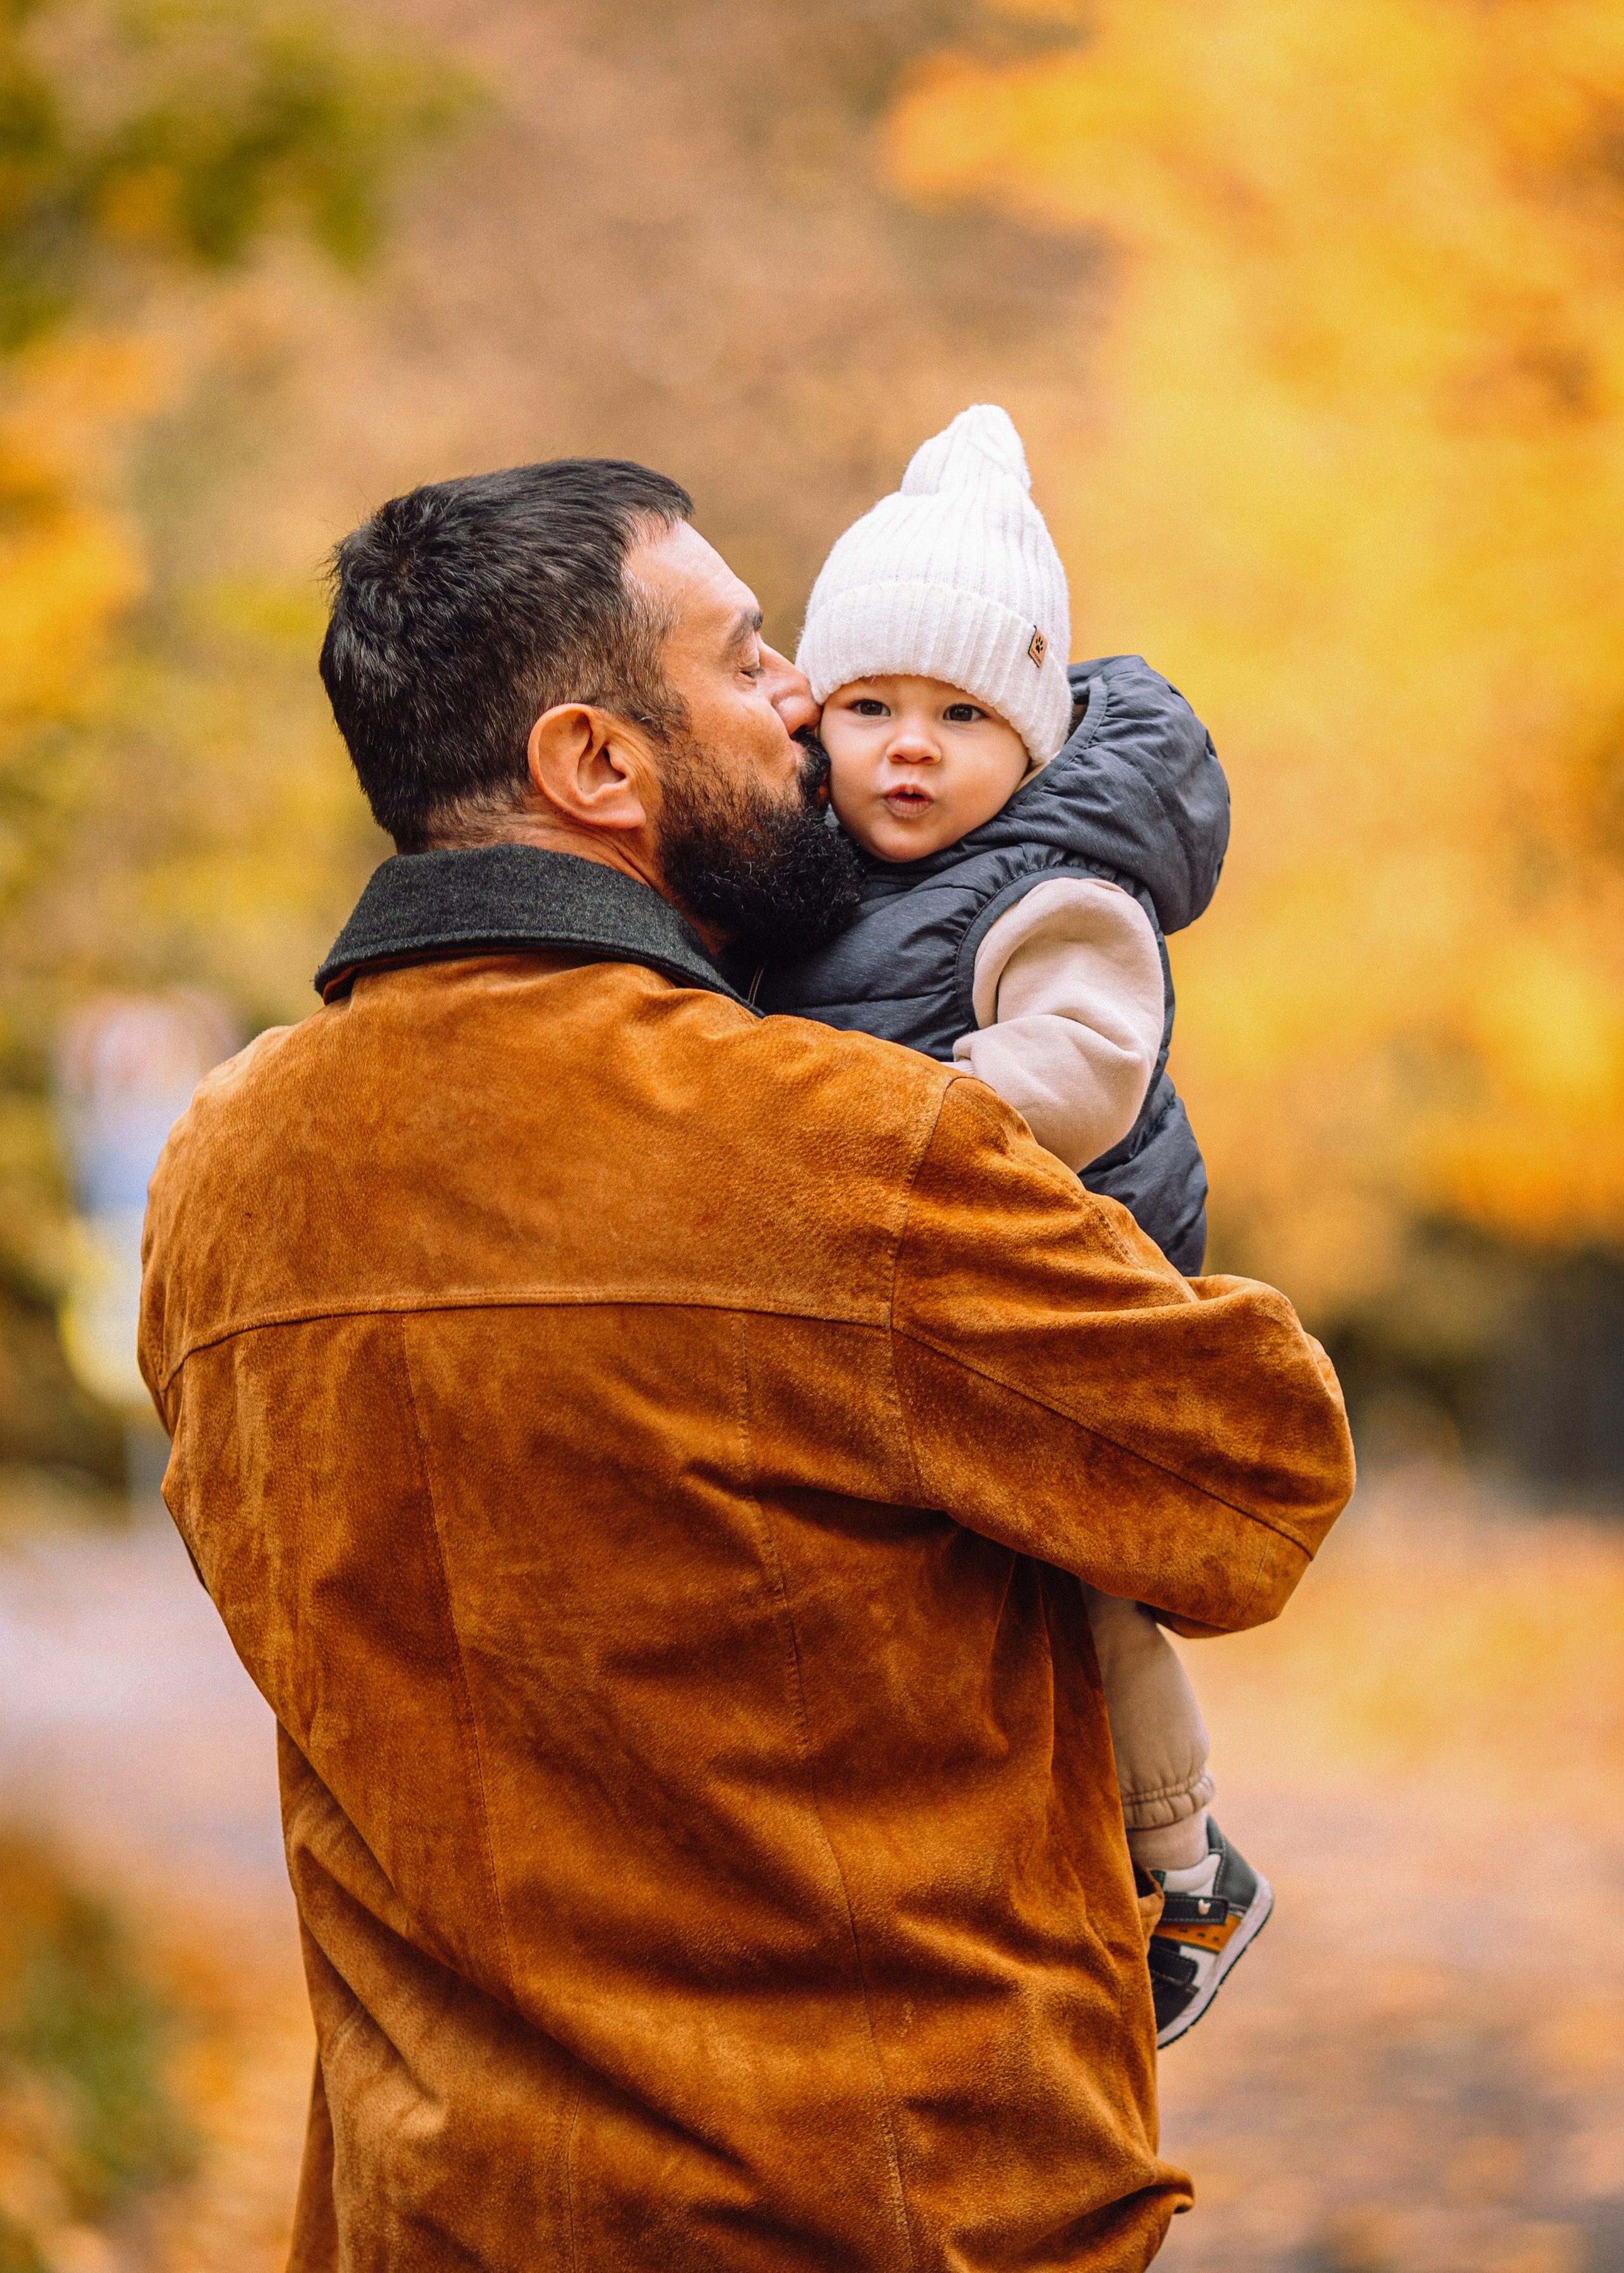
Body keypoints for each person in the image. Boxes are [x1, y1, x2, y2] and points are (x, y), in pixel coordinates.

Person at [138, 455, 1355, 2273]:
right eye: (751, 656)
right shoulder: (840, 1147)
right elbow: (1257, 1480)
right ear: (597, 767)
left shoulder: (217, 1170)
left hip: (433, 2215)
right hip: (868, 2211)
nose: (806, 700)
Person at [750, 404, 1252, 2047]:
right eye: (872, 705)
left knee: (1076, 1580)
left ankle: (1185, 1860)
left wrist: (920, 1105)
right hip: (915, 1268)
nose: (909, 747)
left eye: (961, 714)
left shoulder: (1058, 888)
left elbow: (1088, 1069)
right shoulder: (816, 882)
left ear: (1030, 740)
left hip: (1076, 1259)